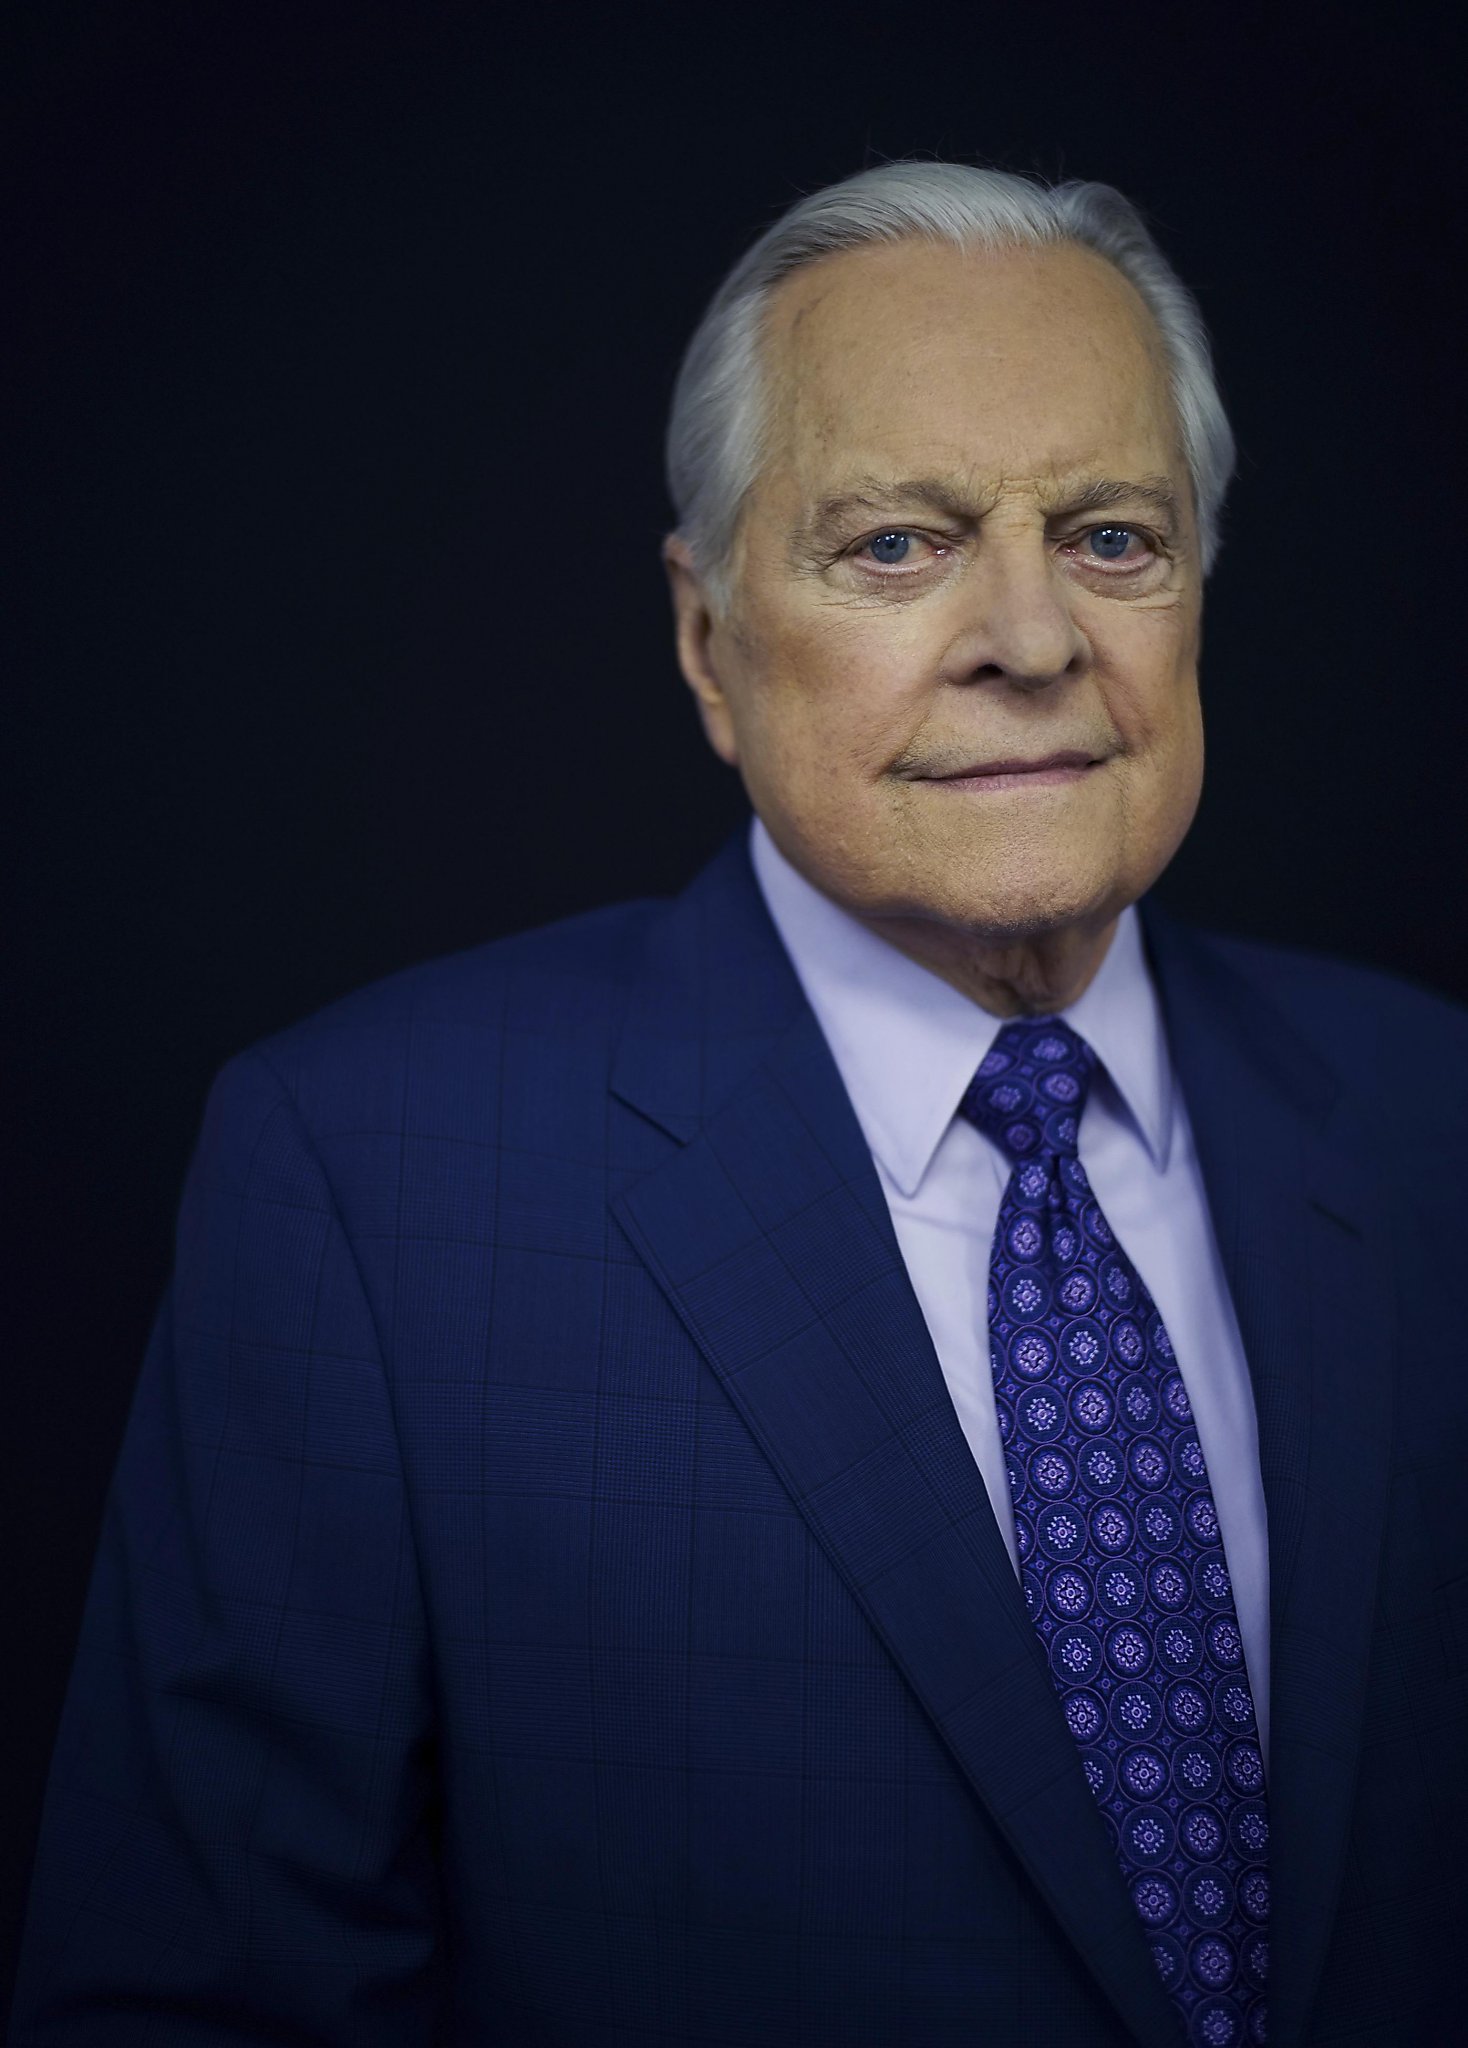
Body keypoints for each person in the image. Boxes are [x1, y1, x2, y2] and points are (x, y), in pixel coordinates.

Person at [11, 161, 1464, 2048]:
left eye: (1113, 536)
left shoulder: (1433, 1116)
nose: (1033, 638)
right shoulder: (366, 1179)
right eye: (896, 547)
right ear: (708, 643)